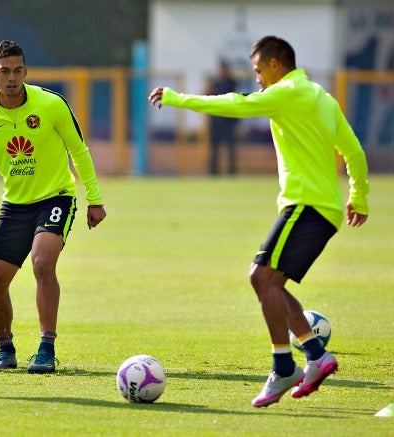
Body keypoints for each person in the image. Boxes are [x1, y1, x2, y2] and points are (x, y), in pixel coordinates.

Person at [149, 35, 369, 407]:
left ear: (275, 65)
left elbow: (236, 105)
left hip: (306, 205)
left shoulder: (286, 92)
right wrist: (358, 196)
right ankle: (316, 355)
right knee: (273, 283)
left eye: (257, 71)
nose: (256, 80)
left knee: (259, 276)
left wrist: (175, 98)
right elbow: (354, 150)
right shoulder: (322, 97)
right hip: (321, 208)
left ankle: (284, 366)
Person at [0, 40, 106, 374]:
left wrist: (95, 199)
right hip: (14, 204)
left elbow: (80, 151)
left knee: (42, 263)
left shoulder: (51, 104)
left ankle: (46, 348)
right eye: (4, 71)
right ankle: (5, 349)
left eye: (17, 71)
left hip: (56, 197)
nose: (11, 78)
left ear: (26, 72)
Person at [205, 59, 238, 174]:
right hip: (216, 121)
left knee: (230, 148)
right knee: (214, 148)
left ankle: (231, 171)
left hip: (228, 120)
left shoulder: (231, 83)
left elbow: (232, 100)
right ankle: (213, 171)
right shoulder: (215, 82)